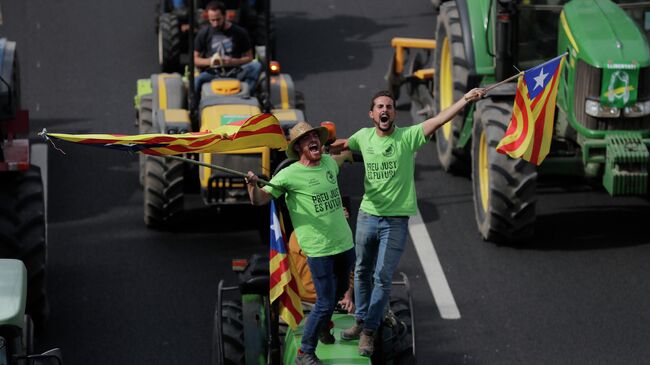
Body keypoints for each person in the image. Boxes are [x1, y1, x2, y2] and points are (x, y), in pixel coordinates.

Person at [330, 87, 486, 357]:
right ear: (371, 114)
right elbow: (343, 145)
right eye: (379, 107)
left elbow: (438, 120)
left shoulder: (408, 137)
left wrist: (465, 99)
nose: (384, 110)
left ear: (394, 113)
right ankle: (360, 321)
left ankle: (369, 332)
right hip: (368, 215)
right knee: (362, 270)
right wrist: (309, 147)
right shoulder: (363, 137)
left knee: (382, 277)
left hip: (395, 222)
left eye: (389, 107)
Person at [246, 121, 355, 365]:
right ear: (298, 148)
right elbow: (259, 200)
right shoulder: (287, 175)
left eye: (315, 136)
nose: (314, 140)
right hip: (319, 250)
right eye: (307, 139)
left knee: (338, 293)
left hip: (344, 244)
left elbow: (342, 152)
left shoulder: (328, 162)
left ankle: (324, 325)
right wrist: (252, 186)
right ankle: (305, 351)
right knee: (325, 301)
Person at [193, 1, 261, 98]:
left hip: (235, 71)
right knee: (197, 81)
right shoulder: (203, 33)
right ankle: (194, 108)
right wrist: (211, 61)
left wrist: (232, 61)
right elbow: (195, 59)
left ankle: (247, 94)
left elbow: (249, 57)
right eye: (212, 20)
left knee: (256, 66)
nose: (215, 24)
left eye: (218, 20)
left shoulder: (240, 32)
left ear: (225, 16)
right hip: (213, 73)